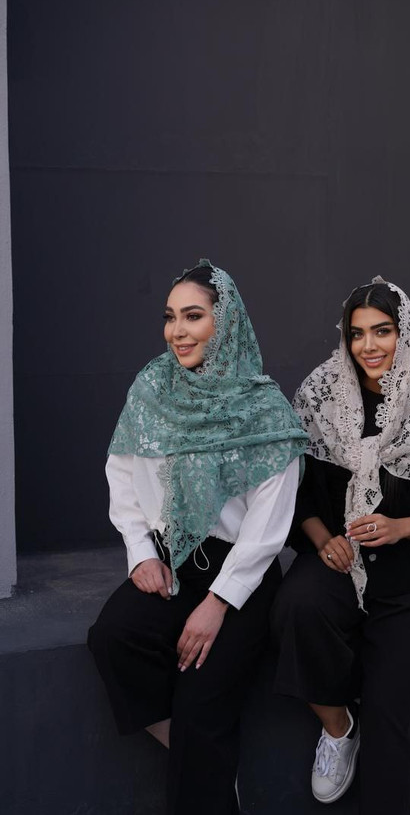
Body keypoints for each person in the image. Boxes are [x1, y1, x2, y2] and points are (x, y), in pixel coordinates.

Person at [88, 259, 307, 815]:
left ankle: (201, 764)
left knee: (201, 706)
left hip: (241, 576)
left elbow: (269, 524)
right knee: (113, 638)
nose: (177, 331)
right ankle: (200, 762)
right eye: (170, 317)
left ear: (224, 323)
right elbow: (121, 471)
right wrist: (141, 553)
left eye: (193, 316)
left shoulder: (263, 407)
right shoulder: (152, 388)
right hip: (169, 562)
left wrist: (218, 602)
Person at [271, 277, 410, 814]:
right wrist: (322, 539)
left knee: (392, 722)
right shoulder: (321, 395)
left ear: (404, 334)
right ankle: (338, 728)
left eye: (382, 331)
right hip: (341, 562)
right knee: (296, 607)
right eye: (357, 333)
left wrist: (401, 526)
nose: (368, 345)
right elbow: (294, 491)